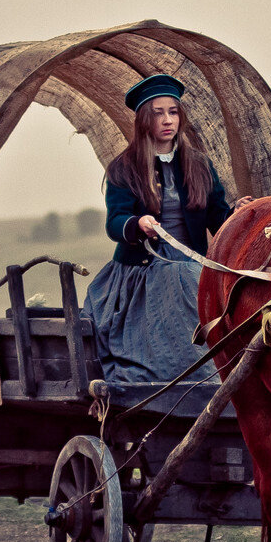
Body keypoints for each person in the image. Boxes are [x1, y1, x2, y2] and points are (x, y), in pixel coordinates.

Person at [82, 74, 248, 382]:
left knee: (228, 287)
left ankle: (240, 373)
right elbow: (114, 221)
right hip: (143, 268)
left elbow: (217, 216)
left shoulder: (199, 164)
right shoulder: (124, 168)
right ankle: (199, 382)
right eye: (158, 113)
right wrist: (138, 223)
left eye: (173, 112)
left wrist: (236, 215)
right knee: (181, 278)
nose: (167, 120)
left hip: (193, 264)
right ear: (145, 120)